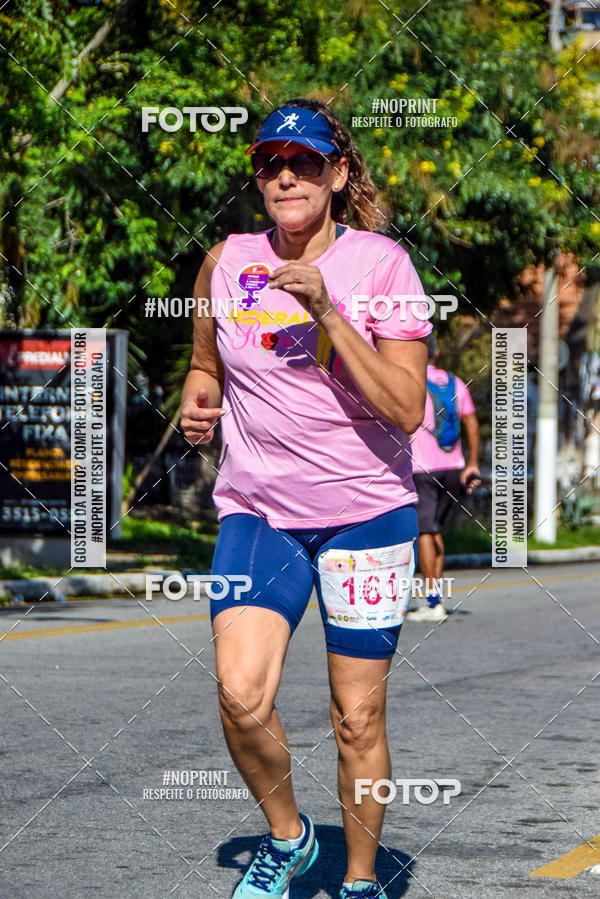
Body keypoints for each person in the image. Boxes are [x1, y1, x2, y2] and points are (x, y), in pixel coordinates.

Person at [181, 98, 432, 899]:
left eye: (305, 161)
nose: (285, 175)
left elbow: (405, 408)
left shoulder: (383, 266)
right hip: (259, 511)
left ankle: (359, 880)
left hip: (367, 513)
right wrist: (197, 399)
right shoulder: (225, 263)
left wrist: (324, 307)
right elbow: (205, 366)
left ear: (338, 171)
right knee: (238, 690)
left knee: (356, 717)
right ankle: (287, 837)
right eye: (270, 163)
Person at [405, 333, 481, 623]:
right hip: (454, 467)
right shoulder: (455, 382)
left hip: (422, 468)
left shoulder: (409, 380)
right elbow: (471, 422)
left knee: (424, 531)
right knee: (435, 532)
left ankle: (433, 602)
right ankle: (435, 597)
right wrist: (472, 463)